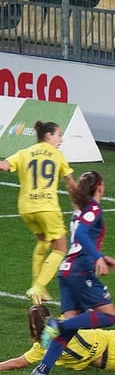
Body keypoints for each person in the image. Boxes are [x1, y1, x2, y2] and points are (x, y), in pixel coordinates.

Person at [31, 170, 115, 375]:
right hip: (81, 272)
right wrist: (98, 256)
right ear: (99, 187)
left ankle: (41, 371)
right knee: (109, 316)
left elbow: (81, 237)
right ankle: (57, 323)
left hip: (67, 270)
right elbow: (81, 234)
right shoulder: (93, 209)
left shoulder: (79, 209)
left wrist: (103, 256)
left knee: (70, 330)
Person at [0, 121, 78, 305]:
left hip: (26, 208)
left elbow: (3, 165)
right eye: (59, 135)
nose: (61, 139)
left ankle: (39, 291)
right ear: (48, 135)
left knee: (43, 241)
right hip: (47, 208)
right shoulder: (58, 155)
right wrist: (79, 205)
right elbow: (70, 184)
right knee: (59, 248)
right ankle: (38, 286)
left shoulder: (24, 153)